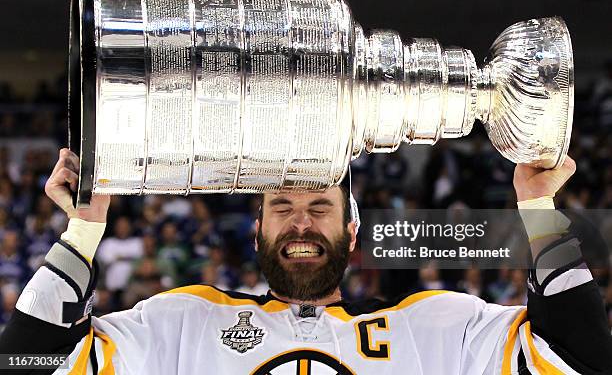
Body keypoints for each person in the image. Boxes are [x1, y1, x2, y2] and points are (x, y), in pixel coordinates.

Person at [0, 148, 610, 374]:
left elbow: (578, 358)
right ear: (257, 228)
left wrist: (538, 207)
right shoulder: (180, 325)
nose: (300, 222)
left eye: (320, 206)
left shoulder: (434, 328)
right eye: (282, 205)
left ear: (350, 232)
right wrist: (83, 230)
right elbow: (30, 361)